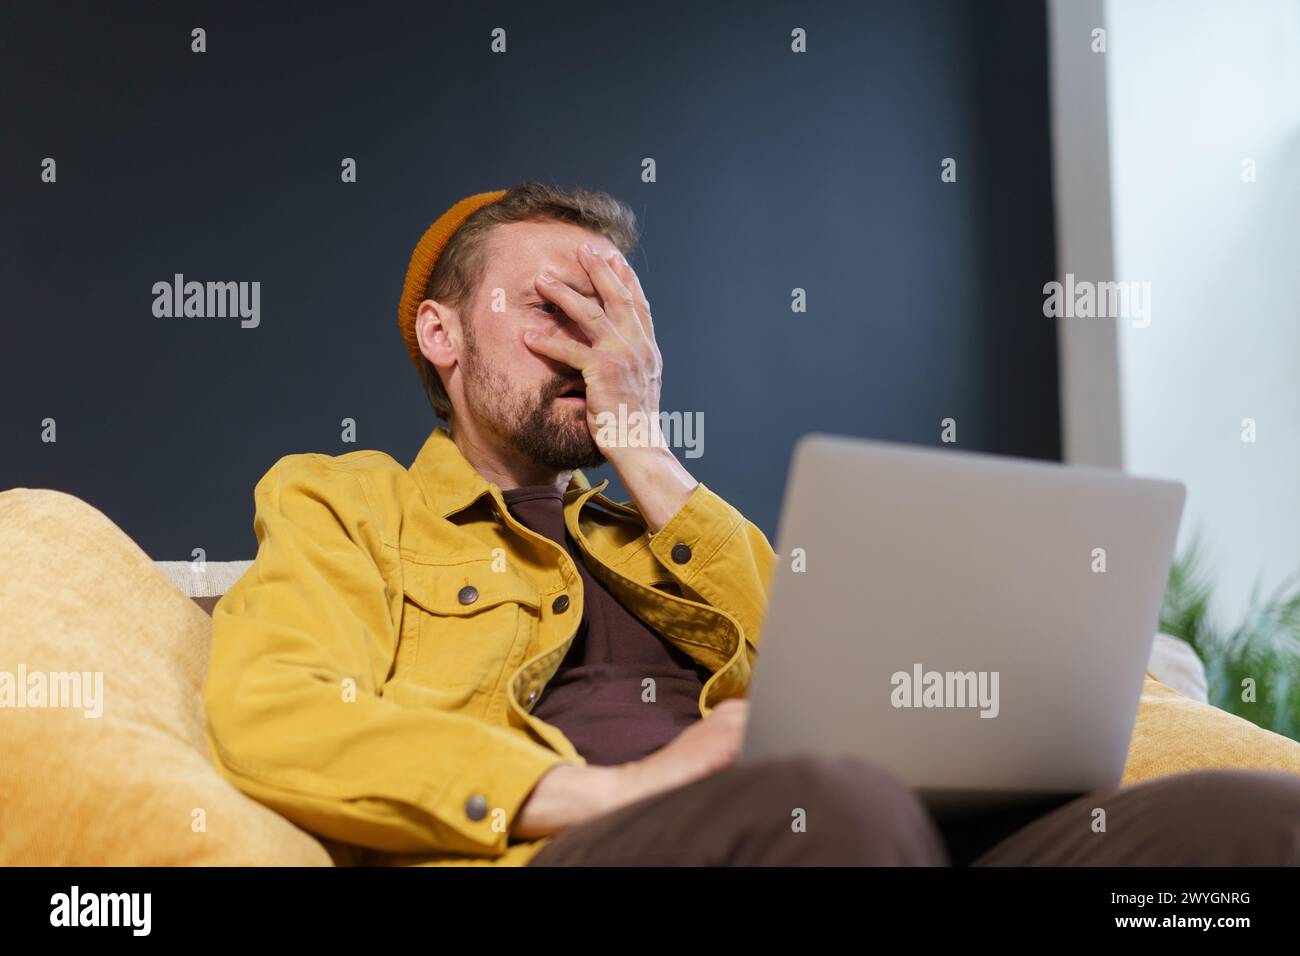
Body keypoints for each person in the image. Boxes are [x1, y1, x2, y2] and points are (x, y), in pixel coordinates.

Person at [201, 182, 1300, 866]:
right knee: (827, 803)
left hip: (857, 826)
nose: (595, 349)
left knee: (1254, 821)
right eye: (554, 311)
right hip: (595, 842)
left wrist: (644, 448)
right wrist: (618, 787)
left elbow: (846, 694)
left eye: (619, 317)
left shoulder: (668, 533)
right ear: (440, 334)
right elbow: (277, 708)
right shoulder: (345, 500)